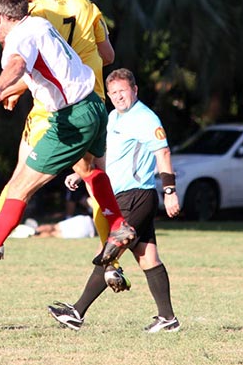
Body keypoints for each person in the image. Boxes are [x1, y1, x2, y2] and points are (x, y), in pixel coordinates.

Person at [0, 0, 136, 284]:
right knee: (89, 169)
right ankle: (118, 225)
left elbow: (17, 65)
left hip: (71, 118)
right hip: (93, 105)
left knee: (18, 189)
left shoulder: (17, 38)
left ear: (0, 17)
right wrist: (11, 91)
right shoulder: (40, 25)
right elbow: (47, 69)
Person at [0, 0, 120, 272]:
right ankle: (112, 261)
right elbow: (108, 56)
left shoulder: (32, 15)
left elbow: (37, 63)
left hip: (54, 109)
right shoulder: (86, 5)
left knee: (19, 180)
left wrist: (10, 88)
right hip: (95, 101)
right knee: (95, 182)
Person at [47, 68, 182, 333]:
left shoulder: (145, 118)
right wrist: (81, 173)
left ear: (135, 90)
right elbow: (109, 154)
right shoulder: (113, 117)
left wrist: (170, 191)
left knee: (110, 252)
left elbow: (163, 152)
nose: (118, 96)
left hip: (137, 195)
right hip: (120, 196)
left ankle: (76, 312)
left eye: (123, 91)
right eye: (113, 93)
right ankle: (168, 319)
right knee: (148, 258)